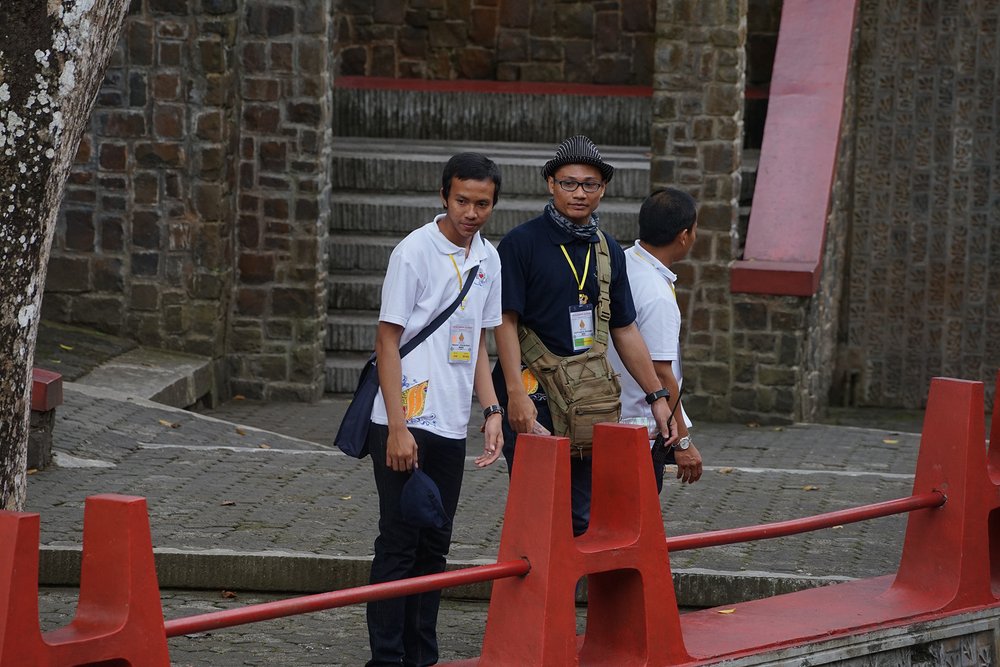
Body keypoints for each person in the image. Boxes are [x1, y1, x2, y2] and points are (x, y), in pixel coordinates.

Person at [492, 135, 678, 537]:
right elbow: (504, 321)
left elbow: (625, 328)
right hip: (535, 396)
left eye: (590, 184)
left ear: (603, 189)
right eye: (569, 183)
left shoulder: (607, 249)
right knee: (541, 511)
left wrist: (658, 397)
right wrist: (514, 396)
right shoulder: (522, 243)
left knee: (584, 516)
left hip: (589, 399)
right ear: (551, 184)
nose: (580, 193)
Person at [365, 152, 504, 667]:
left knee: (435, 543)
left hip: (450, 422)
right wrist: (398, 428)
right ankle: (387, 659)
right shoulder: (414, 251)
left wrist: (491, 409)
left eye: (482, 203)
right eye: (462, 200)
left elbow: (479, 344)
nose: (471, 212)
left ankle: (422, 656)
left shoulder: (488, 259)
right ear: (444, 195)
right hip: (402, 420)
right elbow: (387, 340)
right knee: (399, 542)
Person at [608, 188, 704, 492]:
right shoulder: (657, 295)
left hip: (610, 417)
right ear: (684, 236)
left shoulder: (623, 261)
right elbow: (662, 373)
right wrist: (684, 441)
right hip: (642, 427)